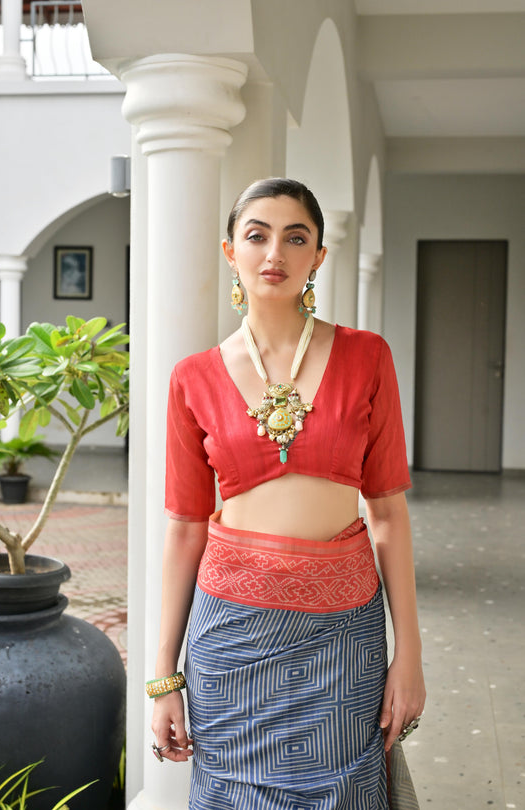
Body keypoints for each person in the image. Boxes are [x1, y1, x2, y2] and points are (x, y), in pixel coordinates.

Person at [148, 178, 426, 809]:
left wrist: (409, 654)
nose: (274, 252)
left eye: (295, 238)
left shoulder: (366, 357)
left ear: (318, 256)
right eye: (257, 235)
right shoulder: (193, 378)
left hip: (344, 636)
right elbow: (185, 528)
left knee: (345, 792)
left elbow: (387, 513)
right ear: (231, 252)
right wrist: (164, 676)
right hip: (231, 639)